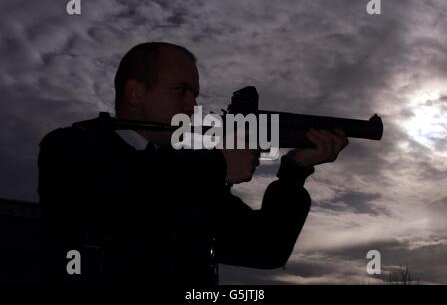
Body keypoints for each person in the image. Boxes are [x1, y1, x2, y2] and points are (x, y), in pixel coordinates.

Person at [38, 42, 348, 285]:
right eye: (181, 90)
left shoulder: (190, 171)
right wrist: (218, 164)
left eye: (194, 94)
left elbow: (264, 248)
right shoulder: (71, 146)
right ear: (136, 92)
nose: (193, 104)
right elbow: (118, 199)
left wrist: (294, 172)